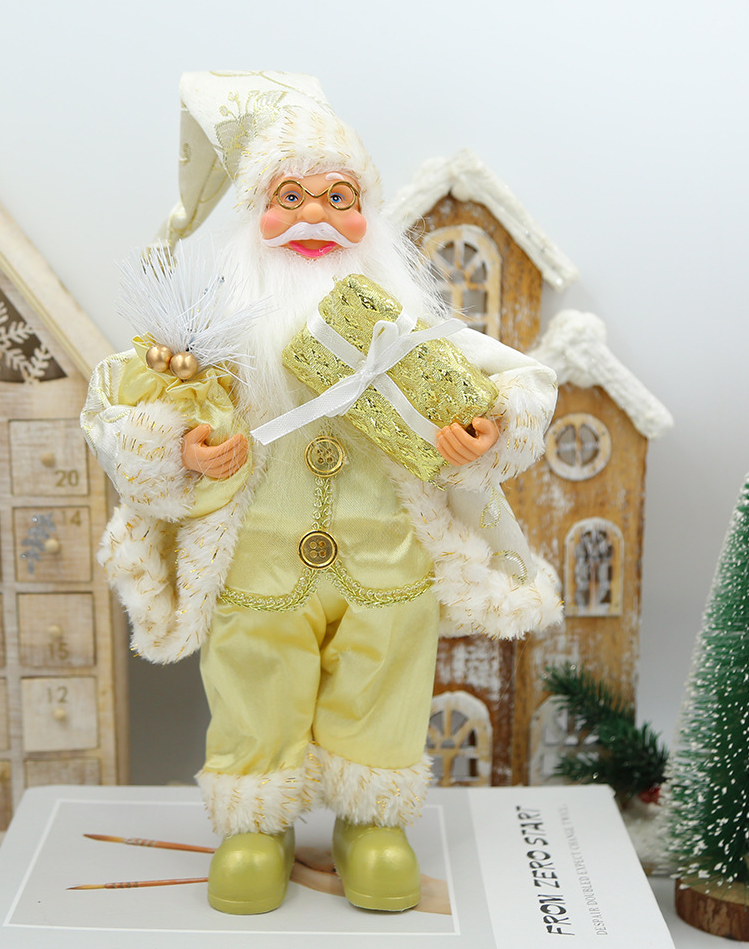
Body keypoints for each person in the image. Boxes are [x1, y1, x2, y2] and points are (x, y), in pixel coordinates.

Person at [82, 71, 561, 915]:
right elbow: (120, 409)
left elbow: (518, 381)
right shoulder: (213, 333)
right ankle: (257, 822)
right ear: (254, 214)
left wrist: (485, 427)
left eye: (339, 197)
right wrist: (181, 446)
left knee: (384, 681)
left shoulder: (408, 329)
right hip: (257, 564)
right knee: (253, 681)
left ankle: (370, 821)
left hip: (388, 561)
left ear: (369, 215)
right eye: (290, 196)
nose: (314, 216)